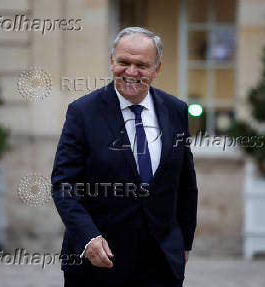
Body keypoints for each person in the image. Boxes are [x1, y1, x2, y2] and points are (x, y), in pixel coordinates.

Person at [51, 27, 198, 287]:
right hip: (99, 261)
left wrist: (184, 243)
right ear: (111, 62)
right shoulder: (82, 112)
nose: (131, 72)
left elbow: (186, 184)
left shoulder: (176, 111)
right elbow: (64, 185)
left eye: (141, 65)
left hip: (160, 263)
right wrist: (88, 237)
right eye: (124, 62)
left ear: (157, 68)